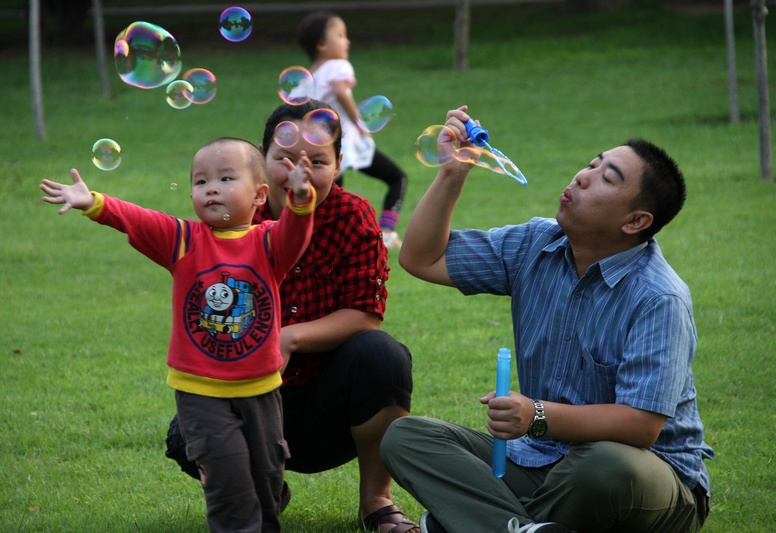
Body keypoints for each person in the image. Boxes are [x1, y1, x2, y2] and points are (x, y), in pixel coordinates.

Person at [380, 106, 714, 533]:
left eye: (606, 178)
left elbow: (641, 425)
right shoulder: (537, 243)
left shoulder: (659, 297)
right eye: (591, 164)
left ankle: (478, 520)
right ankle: (520, 527)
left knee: (601, 464)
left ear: (635, 221)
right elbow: (421, 258)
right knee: (406, 438)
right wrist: (453, 173)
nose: (582, 176)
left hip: (646, 478)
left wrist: (536, 414)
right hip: (541, 461)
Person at [166, 100, 419, 533]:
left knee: (382, 355)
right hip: (250, 398)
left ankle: (377, 504)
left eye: (318, 161)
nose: (299, 172)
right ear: (261, 165)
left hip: (332, 408)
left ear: (339, 165)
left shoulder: (352, 215)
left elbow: (364, 314)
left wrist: (287, 337)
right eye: (283, 159)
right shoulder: (230, 220)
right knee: (184, 436)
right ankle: (262, 493)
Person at [40, 138, 317, 533]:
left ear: (260, 195)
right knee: (224, 473)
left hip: (260, 389)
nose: (212, 188)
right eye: (201, 182)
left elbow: (295, 234)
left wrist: (301, 201)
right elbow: (139, 219)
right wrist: (96, 203)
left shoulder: (269, 242)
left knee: (266, 473)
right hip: (200, 392)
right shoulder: (184, 241)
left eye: (225, 177)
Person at [297, 10, 408, 249]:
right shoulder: (339, 65)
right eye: (340, 35)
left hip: (318, 149)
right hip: (347, 143)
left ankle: (321, 241)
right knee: (398, 178)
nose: (347, 41)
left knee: (330, 198)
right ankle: (386, 233)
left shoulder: (305, 80)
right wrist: (360, 122)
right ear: (321, 44)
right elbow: (340, 91)